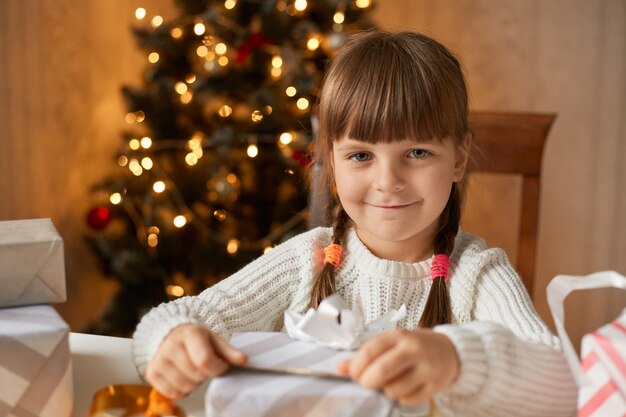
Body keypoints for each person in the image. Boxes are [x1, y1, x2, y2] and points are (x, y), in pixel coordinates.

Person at [133, 30, 577, 416]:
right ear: (331, 160)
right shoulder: (305, 259)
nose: (388, 183)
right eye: (361, 155)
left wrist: (457, 358)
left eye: (417, 153)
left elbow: (562, 383)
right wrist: (171, 340)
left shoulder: (478, 276)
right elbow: (182, 316)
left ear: (459, 158)